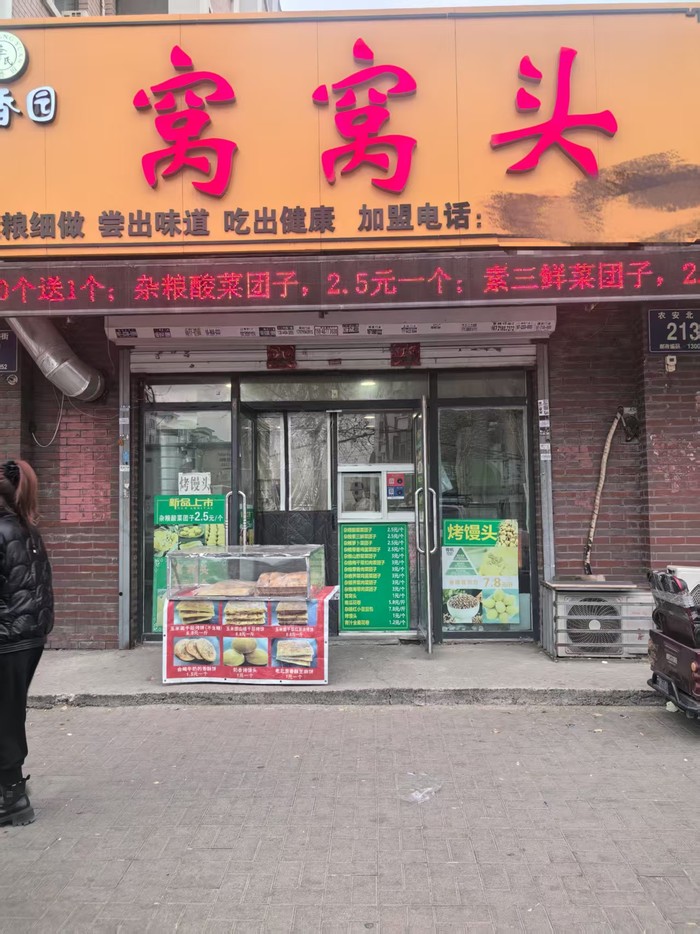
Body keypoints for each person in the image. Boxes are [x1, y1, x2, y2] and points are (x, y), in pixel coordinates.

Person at [0, 459, 53, 827]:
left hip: (8, 637)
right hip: (28, 636)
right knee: (9, 712)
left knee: (5, 716)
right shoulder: (25, 528)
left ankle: (12, 796)